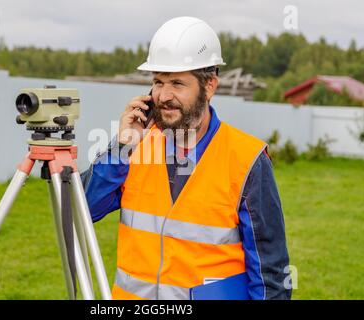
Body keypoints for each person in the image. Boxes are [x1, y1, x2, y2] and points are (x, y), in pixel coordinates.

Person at [81, 16, 291, 300]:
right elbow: (82, 210)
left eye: (177, 83)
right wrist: (122, 146)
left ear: (210, 86)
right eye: (157, 82)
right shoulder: (133, 148)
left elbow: (270, 276)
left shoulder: (247, 159)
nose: (163, 95)